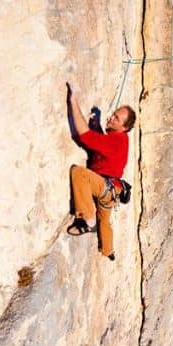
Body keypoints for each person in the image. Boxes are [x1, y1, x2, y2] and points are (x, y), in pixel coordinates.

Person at [66, 82, 136, 261]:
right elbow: (101, 146)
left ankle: (88, 220)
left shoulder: (117, 141)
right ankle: (108, 250)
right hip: (112, 191)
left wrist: (73, 100)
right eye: (114, 114)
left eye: (117, 119)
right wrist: (97, 124)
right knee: (104, 220)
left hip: (105, 187)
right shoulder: (119, 138)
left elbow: (85, 136)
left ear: (124, 128)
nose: (111, 118)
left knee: (79, 173)